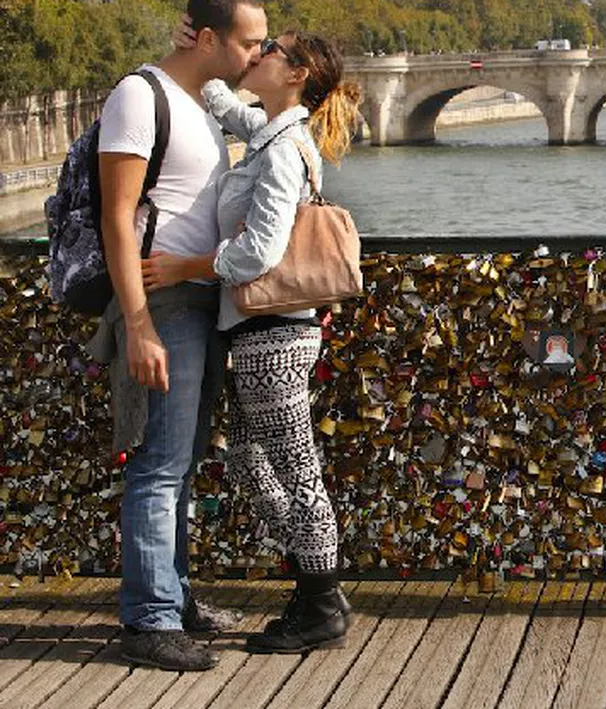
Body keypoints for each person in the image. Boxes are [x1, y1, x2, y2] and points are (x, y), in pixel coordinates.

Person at [144, 21, 362, 654]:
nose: (260, 54)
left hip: (275, 333)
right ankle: (315, 586)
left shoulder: (282, 148)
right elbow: (224, 102)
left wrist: (187, 266)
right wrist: (198, 46)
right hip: (260, 333)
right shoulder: (268, 131)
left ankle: (321, 604)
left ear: (294, 75)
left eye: (272, 51)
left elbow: (260, 252)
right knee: (250, 459)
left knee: (294, 470)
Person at [92, 0, 267, 673]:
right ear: (213, 38)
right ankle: (149, 618)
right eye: (251, 42)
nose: (257, 54)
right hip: (163, 302)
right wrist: (137, 322)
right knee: (160, 463)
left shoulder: (198, 100)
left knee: (181, 463)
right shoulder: (140, 97)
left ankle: (173, 599)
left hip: (201, 299)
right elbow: (115, 215)